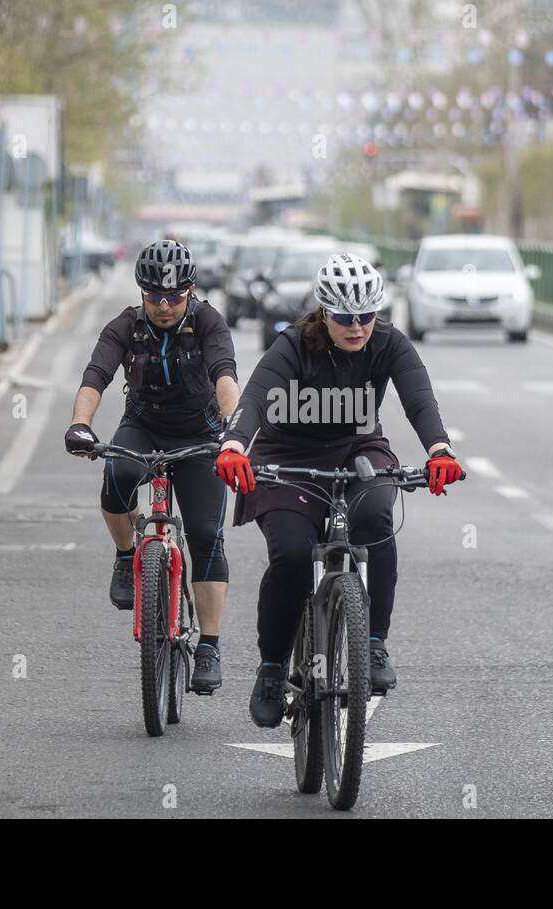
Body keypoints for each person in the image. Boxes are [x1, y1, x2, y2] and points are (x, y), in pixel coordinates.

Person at [215, 253, 463, 728]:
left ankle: (373, 645)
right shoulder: (292, 344)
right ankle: (271, 669)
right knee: (290, 553)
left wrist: (440, 451)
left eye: (366, 316)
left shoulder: (389, 343)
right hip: (286, 457)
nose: (357, 327)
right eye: (346, 318)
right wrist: (233, 445)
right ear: (324, 313)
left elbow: (418, 398)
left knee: (375, 519)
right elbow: (253, 399)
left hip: (357, 449)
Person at [64, 239, 240, 693]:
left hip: (201, 436)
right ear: (142, 292)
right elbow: (95, 376)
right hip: (144, 427)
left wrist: (232, 434)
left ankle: (209, 648)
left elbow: (225, 376)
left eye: (174, 297)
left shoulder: (209, 322)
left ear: (190, 289)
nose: (164, 306)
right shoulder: (125, 326)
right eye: (155, 297)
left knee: (205, 535)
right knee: (117, 476)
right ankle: (127, 558)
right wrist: (80, 425)